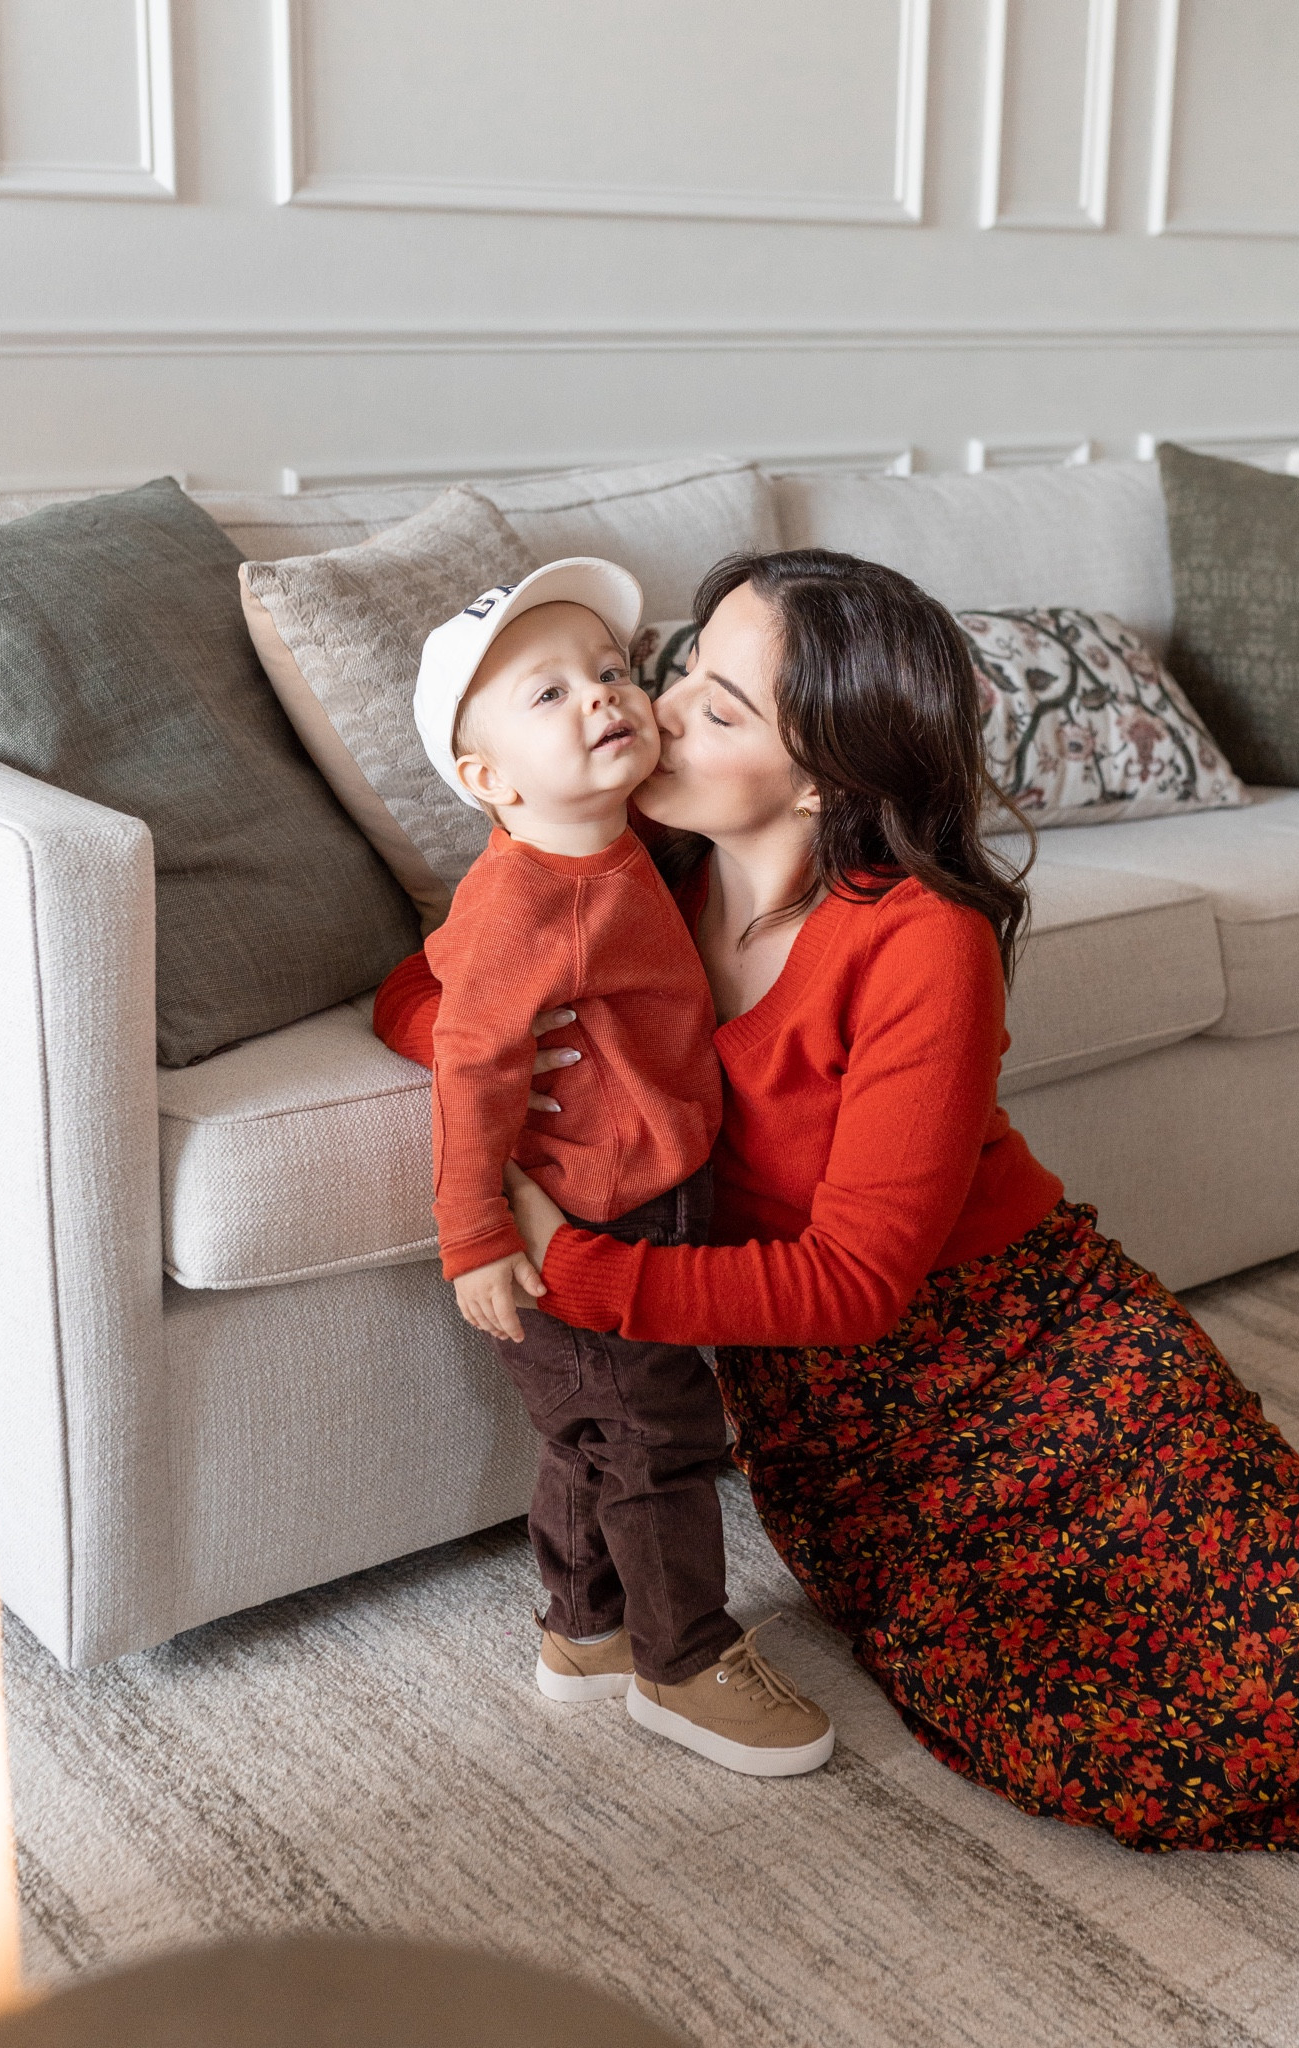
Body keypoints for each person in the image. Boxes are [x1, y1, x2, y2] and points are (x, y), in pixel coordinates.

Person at [380, 548, 1299, 1855]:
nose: (655, 713)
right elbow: (426, 990)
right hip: (838, 1415)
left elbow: (852, 1283)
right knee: (1042, 1731)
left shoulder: (917, 937)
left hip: (1034, 1349)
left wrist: (568, 1264)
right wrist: (515, 1061)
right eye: (681, 672)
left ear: (820, 775)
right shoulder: (636, 862)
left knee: (1288, 1686)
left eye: (717, 708)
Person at [403, 558, 833, 1778]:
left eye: (610, 671)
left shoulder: (631, 837)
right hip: (586, 1219)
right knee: (659, 1435)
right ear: (489, 782)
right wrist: (477, 1234)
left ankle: (584, 1627)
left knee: (593, 1433)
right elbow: (468, 1066)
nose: (603, 698)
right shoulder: (520, 905)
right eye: (548, 696)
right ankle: (682, 1659)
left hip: (652, 1184)